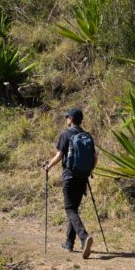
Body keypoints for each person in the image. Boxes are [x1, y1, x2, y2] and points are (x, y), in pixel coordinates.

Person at [43, 107, 97, 259]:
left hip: (70, 176)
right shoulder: (87, 136)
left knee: (69, 209)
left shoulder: (66, 134)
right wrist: (88, 171)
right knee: (74, 209)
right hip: (83, 177)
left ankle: (84, 237)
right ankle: (69, 242)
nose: (66, 119)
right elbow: (95, 158)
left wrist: (48, 166)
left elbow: (59, 155)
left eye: (67, 117)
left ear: (71, 119)